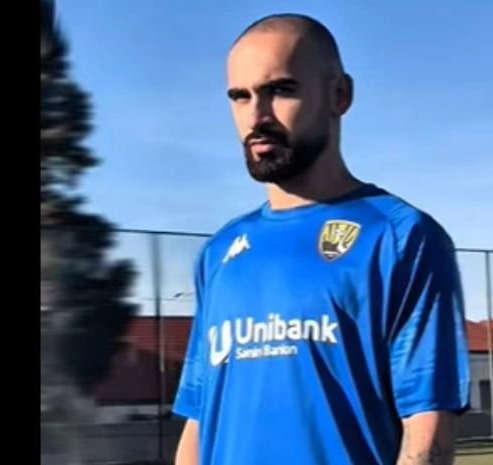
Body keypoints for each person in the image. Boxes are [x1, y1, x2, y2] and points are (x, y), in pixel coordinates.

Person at [172, 13, 470, 465]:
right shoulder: (219, 252)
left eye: (280, 91)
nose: (256, 116)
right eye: (240, 96)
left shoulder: (400, 237)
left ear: (339, 95)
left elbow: (427, 423)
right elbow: (199, 420)